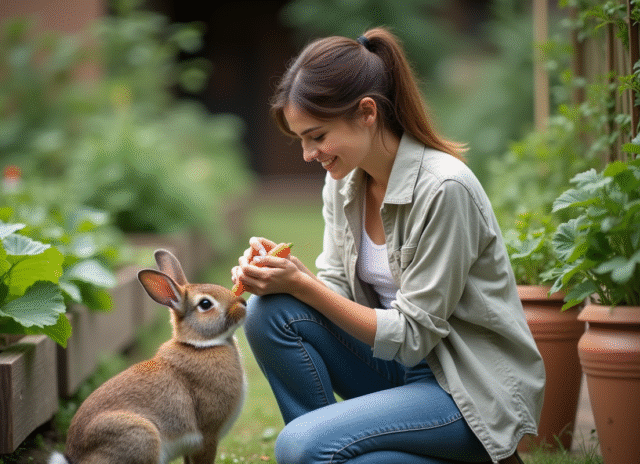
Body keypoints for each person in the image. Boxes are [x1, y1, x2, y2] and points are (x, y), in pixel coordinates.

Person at [231, 26, 544, 464]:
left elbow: (415, 336)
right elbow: (335, 291)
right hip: (396, 370)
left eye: (317, 136)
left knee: (301, 446)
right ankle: (337, 450)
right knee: (269, 313)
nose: (308, 154)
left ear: (366, 112)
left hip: (464, 391)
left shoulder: (443, 188)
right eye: (301, 139)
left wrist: (303, 285)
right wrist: (282, 278)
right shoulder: (343, 183)